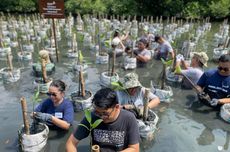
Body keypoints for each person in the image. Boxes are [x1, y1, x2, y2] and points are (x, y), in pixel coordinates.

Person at [66, 88, 140, 152]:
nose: (101, 117)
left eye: (105, 114)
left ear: (117, 107)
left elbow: (134, 149)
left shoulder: (129, 119)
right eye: (98, 113)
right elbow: (71, 143)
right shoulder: (92, 117)